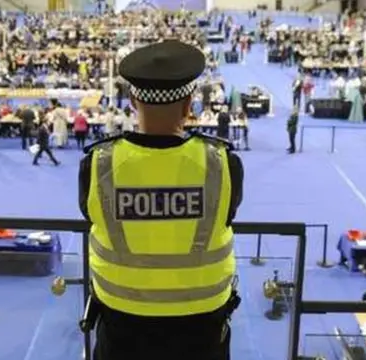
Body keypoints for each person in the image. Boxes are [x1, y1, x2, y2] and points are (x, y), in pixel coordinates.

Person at [77, 40, 243, 360]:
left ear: (132, 102)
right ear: (188, 105)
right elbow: (228, 213)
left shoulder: (98, 164)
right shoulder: (223, 164)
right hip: (202, 324)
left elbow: (90, 215)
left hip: (122, 321)